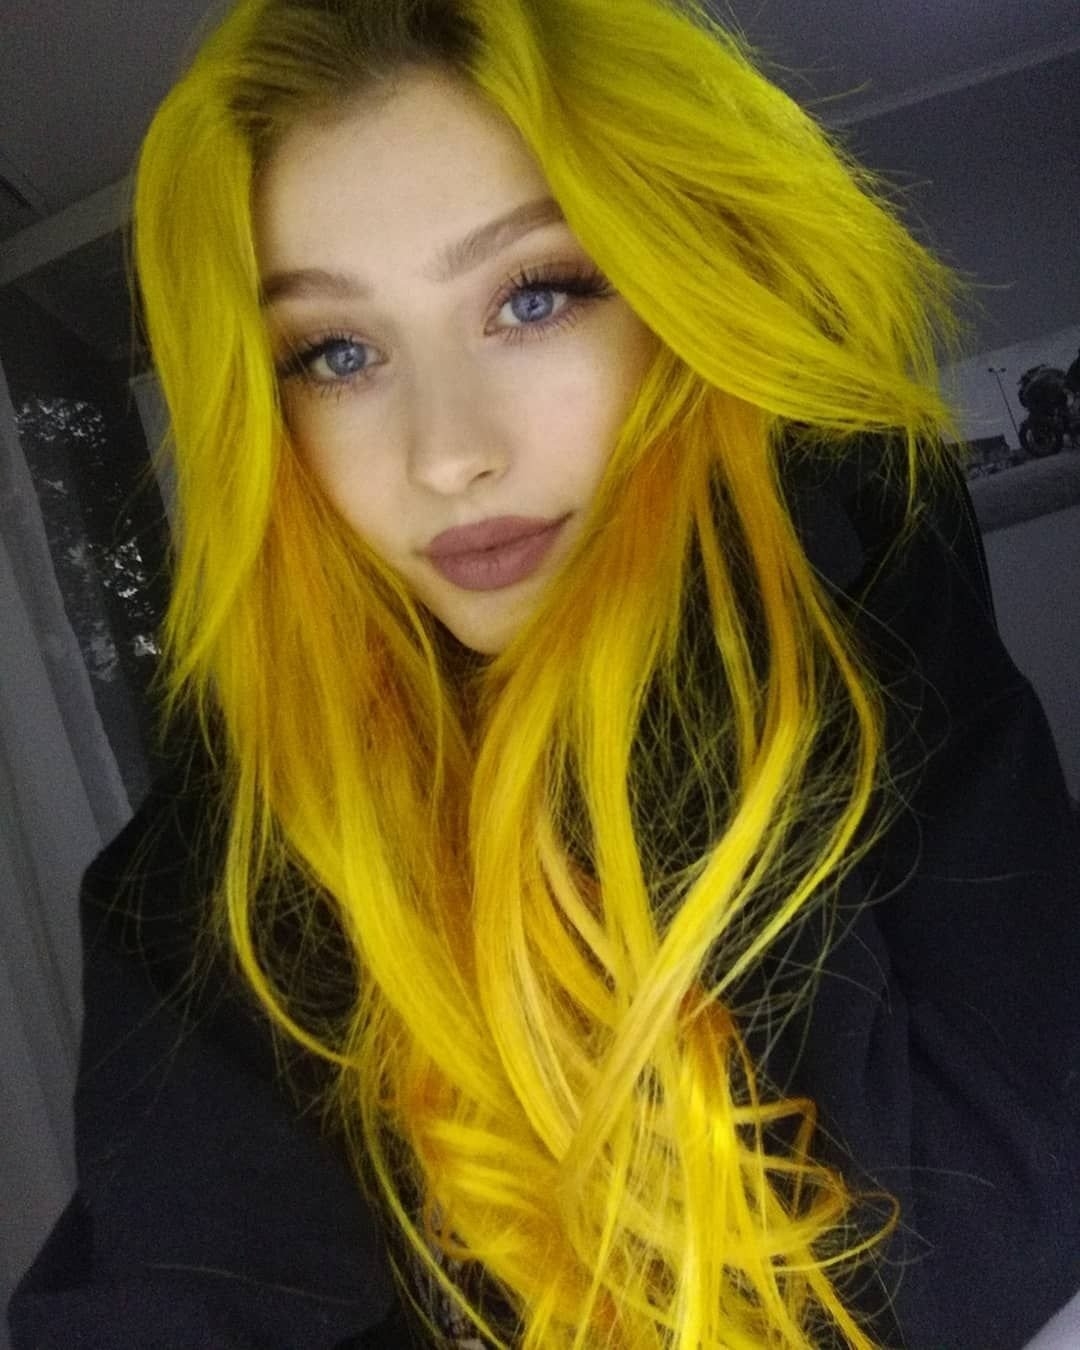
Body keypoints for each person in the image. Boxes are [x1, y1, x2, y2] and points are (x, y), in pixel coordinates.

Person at [8, 0, 1080, 1346]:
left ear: (684, 286)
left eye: (534, 295)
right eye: (337, 354)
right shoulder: (223, 869)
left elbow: (991, 1219)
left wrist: (675, 644)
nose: (448, 453)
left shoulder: (853, 590)